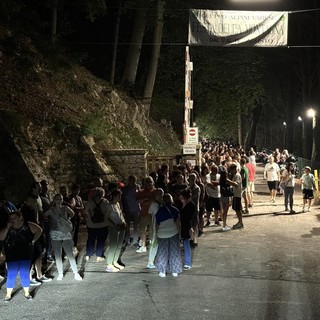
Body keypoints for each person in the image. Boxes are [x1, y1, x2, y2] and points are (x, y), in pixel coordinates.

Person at [0, 210, 43, 301]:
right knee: (11, 274)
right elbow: (1, 237)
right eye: (10, 218)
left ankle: (27, 293)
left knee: (24, 273)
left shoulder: (28, 225)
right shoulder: (8, 227)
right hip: (12, 254)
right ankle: (8, 294)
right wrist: (7, 228)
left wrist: (33, 240)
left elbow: (39, 230)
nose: (12, 220)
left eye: (14, 218)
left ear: (20, 217)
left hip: (26, 254)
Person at [44, 194, 82, 281]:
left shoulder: (65, 208)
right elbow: (44, 215)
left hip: (65, 232)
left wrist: (66, 220)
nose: (59, 201)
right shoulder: (52, 210)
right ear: (54, 200)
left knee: (70, 253)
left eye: (60, 199)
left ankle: (75, 272)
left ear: (62, 199)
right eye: (57, 199)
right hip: (55, 233)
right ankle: (60, 273)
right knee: (58, 254)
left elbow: (72, 214)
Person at [155, 193, 182, 277]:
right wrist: (179, 234)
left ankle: (162, 271)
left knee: (162, 252)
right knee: (174, 251)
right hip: (173, 232)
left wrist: (156, 233)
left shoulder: (159, 211)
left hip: (162, 233)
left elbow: (157, 224)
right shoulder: (175, 210)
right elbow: (178, 224)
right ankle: (175, 271)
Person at [84, 187, 109, 261]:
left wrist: (89, 220)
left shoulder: (90, 202)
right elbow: (108, 212)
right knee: (101, 240)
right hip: (103, 224)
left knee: (91, 239)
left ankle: (88, 254)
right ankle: (99, 255)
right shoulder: (105, 201)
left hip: (92, 225)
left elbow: (86, 212)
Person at [105, 189, 127, 272]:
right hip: (114, 228)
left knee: (119, 245)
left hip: (121, 227)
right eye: (119, 196)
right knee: (113, 246)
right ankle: (109, 264)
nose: (120, 198)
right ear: (114, 196)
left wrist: (124, 223)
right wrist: (114, 225)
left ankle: (115, 261)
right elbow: (106, 218)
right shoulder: (109, 206)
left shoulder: (117, 204)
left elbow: (121, 215)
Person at [136, 176, 157, 253]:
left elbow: (153, 200)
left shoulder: (156, 191)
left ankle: (153, 243)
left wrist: (145, 201)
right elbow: (137, 201)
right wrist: (144, 200)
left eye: (150, 182)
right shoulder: (141, 191)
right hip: (144, 213)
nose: (149, 184)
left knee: (152, 229)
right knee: (142, 229)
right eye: (147, 182)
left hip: (152, 214)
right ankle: (143, 245)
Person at [147, 188, 164, 269]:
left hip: (163, 227)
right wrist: (150, 227)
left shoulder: (163, 204)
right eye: (158, 194)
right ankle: (150, 261)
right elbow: (149, 216)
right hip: (155, 227)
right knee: (154, 244)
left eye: (161, 194)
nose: (160, 196)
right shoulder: (153, 204)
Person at [121, 175, 140, 247]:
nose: (133, 182)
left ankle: (135, 241)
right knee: (127, 226)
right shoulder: (125, 189)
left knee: (136, 226)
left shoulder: (137, 187)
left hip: (135, 209)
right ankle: (127, 240)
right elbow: (123, 199)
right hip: (127, 209)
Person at [179, 189, 195, 269]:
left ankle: (187, 263)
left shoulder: (191, 206)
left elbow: (190, 218)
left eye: (182, 198)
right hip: (179, 226)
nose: (180, 199)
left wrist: (191, 228)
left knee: (186, 244)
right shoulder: (179, 204)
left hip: (186, 226)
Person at [227, 163, 244, 229]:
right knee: (236, 209)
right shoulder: (234, 175)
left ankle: (240, 222)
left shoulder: (237, 175)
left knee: (238, 209)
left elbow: (236, 184)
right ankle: (239, 221)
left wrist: (228, 181)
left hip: (237, 195)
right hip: (235, 194)